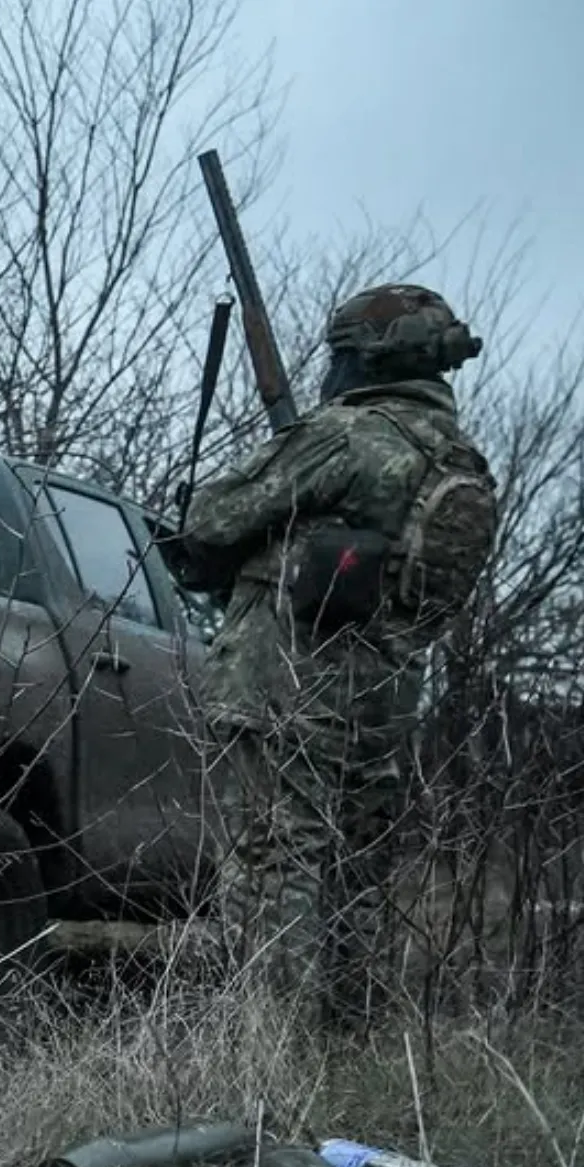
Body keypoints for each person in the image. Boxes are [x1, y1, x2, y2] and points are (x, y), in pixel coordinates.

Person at [178, 283, 498, 1027]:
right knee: (355, 876)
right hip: (382, 701)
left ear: (363, 360)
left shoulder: (348, 436)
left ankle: (273, 1058)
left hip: (286, 687)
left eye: (337, 355)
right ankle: (346, 1046)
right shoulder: (459, 460)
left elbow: (211, 520)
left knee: (271, 865)